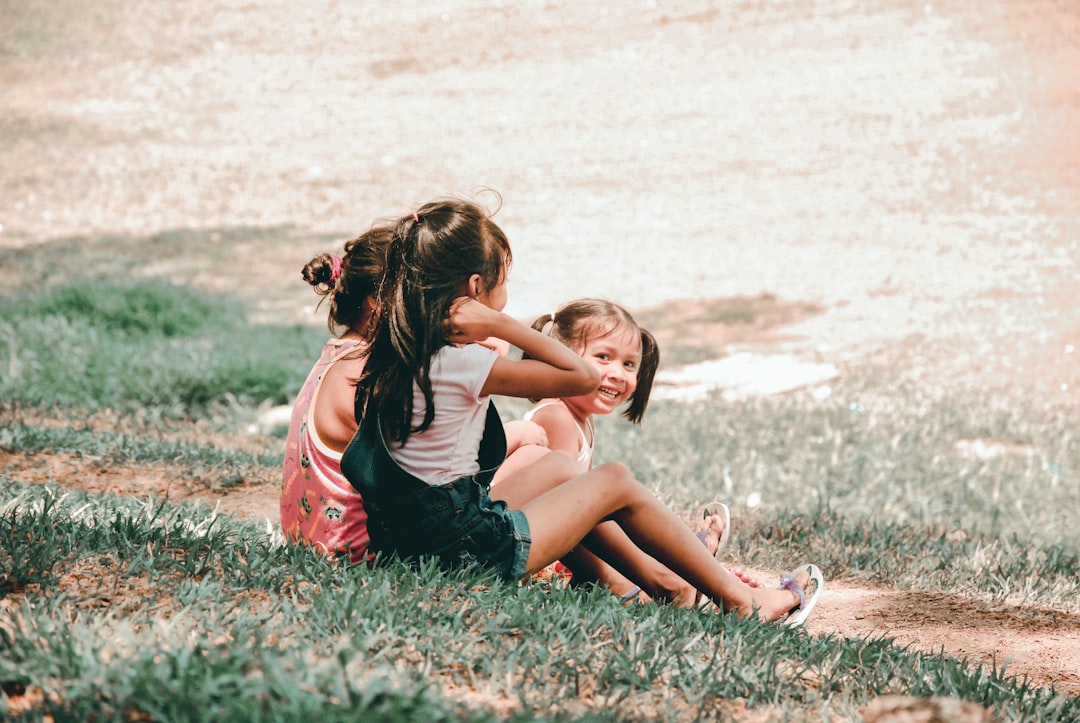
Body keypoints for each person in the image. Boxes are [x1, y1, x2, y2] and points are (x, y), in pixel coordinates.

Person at [341, 196, 823, 624]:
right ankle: (741, 601)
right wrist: (500, 325)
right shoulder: (461, 362)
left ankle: (667, 585)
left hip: (410, 542)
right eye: (501, 285)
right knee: (613, 480)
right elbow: (582, 377)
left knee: (557, 467)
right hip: (461, 551)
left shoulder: (397, 349)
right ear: (475, 289)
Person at [499, 298, 738, 605]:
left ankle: (672, 566)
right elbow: (567, 519)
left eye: (628, 364)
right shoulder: (555, 416)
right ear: (562, 358)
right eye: (603, 357)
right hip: (523, 543)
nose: (617, 374)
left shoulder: (581, 421)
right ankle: (641, 581)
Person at [280, 224, 392, 562]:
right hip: (356, 558)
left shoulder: (340, 352)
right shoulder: (364, 372)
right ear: (378, 302)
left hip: (313, 547)